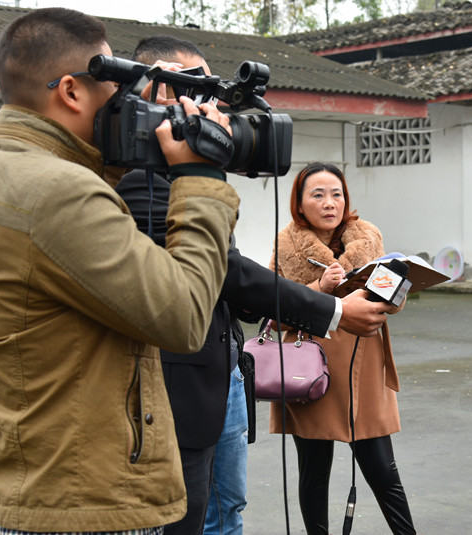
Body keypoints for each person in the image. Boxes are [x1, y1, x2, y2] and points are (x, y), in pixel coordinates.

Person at [0, 9, 241, 534]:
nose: (124, 104)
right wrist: (200, 178)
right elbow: (183, 317)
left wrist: (121, 157)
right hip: (86, 503)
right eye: (115, 88)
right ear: (71, 92)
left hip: (35, 481)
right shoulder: (58, 191)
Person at [119, 36, 394, 535]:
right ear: (158, 90)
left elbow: (222, 280)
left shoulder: (186, 177)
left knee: (229, 510)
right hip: (180, 387)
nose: (213, 107)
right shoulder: (139, 180)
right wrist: (333, 310)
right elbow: (228, 272)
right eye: (198, 91)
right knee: (191, 516)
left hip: (225, 372)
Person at [269, 162, 416, 535]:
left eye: (336, 194)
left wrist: (396, 289)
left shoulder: (368, 238)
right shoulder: (285, 246)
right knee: (314, 473)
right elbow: (272, 314)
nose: (329, 202)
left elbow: (390, 304)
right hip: (310, 368)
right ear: (299, 205)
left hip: (365, 367)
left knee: (382, 470)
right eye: (317, 195)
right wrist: (320, 289)